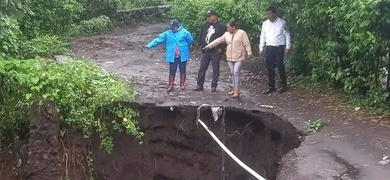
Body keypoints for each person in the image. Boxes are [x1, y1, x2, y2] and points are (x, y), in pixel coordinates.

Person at [203, 21, 252, 98]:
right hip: (230, 56)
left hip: (239, 56)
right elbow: (218, 41)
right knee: (232, 72)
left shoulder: (242, 33)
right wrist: (209, 46)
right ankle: (234, 88)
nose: (227, 29)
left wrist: (249, 52)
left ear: (234, 27)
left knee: (236, 72)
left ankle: (237, 90)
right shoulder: (226, 34)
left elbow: (246, 43)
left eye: (229, 27)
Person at [145, 20, 193, 92]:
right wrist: (148, 45)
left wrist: (184, 47)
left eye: (173, 28)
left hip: (183, 55)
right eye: (171, 27)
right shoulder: (167, 33)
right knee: (172, 70)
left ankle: (182, 84)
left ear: (177, 27)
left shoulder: (185, 32)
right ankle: (171, 85)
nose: (171, 29)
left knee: (182, 69)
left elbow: (190, 40)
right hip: (172, 55)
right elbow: (158, 40)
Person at [259, 6, 291, 94]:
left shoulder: (282, 22)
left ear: (274, 13)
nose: (268, 15)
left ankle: (283, 85)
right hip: (269, 47)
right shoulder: (265, 23)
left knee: (280, 65)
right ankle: (271, 86)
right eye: (267, 14)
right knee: (270, 67)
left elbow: (287, 34)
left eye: (270, 13)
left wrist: (288, 46)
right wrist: (261, 48)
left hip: (279, 47)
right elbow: (262, 36)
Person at [193, 10, 226, 92]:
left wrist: (221, 48)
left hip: (215, 50)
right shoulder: (205, 25)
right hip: (205, 49)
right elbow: (201, 35)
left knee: (215, 68)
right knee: (202, 67)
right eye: (207, 16)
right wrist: (200, 44)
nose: (208, 18)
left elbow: (224, 38)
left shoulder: (221, 26)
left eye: (210, 16)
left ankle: (214, 85)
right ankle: (199, 84)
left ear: (214, 16)